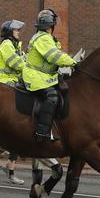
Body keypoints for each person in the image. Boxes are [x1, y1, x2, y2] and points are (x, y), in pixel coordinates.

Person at [21, 9, 77, 141]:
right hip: (35, 76)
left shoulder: (46, 38)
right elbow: (54, 56)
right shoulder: (43, 38)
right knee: (52, 96)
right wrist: (74, 63)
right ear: (51, 25)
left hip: (44, 75)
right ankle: (42, 132)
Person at [0, 19, 27, 184]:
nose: (18, 32)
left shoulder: (17, 46)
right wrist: (32, 68)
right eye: (16, 30)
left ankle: (10, 165)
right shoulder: (6, 45)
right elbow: (17, 64)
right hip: (5, 82)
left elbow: (25, 60)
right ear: (9, 32)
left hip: (16, 82)